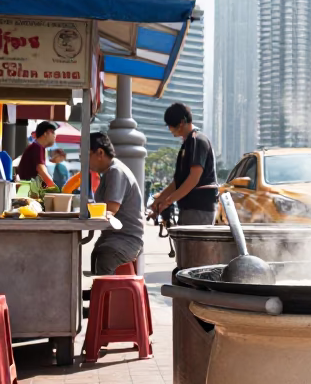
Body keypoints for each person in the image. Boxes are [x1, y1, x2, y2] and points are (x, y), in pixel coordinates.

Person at [149, 103, 218, 226]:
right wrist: (160, 199)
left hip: (199, 208)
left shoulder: (198, 141)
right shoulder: (187, 143)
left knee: (194, 245)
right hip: (188, 208)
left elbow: (193, 178)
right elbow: (178, 182)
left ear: (181, 123)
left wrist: (168, 201)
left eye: (170, 126)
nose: (170, 129)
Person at [88, 132, 144, 275]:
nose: (85, 162)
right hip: (114, 236)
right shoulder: (110, 171)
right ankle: (99, 294)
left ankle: (108, 294)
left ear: (100, 153)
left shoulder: (115, 171)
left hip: (127, 238)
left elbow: (111, 210)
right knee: (97, 252)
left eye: (87, 156)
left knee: (105, 256)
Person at [17, 121, 58, 187]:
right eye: (52, 132)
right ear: (45, 134)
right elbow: (41, 170)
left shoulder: (39, 147)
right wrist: (54, 187)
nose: (55, 136)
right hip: (29, 190)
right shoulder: (37, 148)